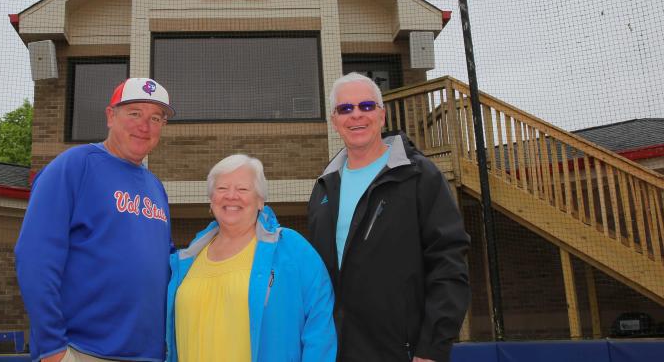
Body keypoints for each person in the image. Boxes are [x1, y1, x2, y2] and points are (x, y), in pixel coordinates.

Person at [307, 73, 470, 362]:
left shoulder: (419, 175)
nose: (356, 114)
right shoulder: (324, 187)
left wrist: (431, 347)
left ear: (381, 116)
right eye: (345, 109)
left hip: (401, 352)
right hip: (334, 351)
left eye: (366, 106)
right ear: (335, 122)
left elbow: (448, 262)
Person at [15, 77, 175, 362]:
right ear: (110, 116)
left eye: (156, 118)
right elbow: (35, 256)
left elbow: (165, 262)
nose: (145, 125)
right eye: (135, 113)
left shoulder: (155, 187)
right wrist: (52, 348)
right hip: (83, 350)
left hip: (148, 354)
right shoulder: (75, 165)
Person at [166, 154, 336, 362]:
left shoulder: (291, 249)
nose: (231, 195)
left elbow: (320, 327)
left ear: (260, 201)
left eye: (243, 189)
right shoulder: (187, 259)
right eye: (222, 188)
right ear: (211, 200)